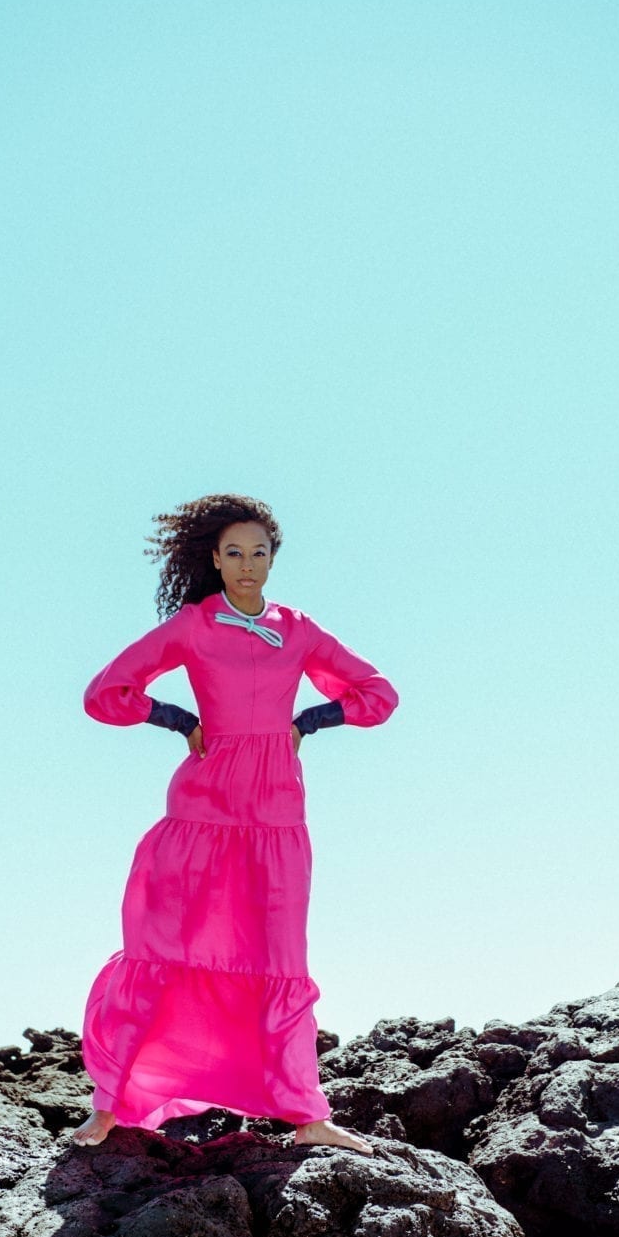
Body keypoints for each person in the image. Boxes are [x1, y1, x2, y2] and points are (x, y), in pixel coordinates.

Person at [72, 493, 399, 1154]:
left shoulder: (298, 630)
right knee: (164, 945)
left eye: (258, 553)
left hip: (277, 812)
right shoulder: (194, 626)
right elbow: (106, 693)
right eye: (234, 554)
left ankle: (308, 1116)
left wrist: (311, 720)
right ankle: (113, 1106)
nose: (247, 566)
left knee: (280, 958)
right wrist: (177, 719)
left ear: (273, 559)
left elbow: (377, 695)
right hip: (203, 807)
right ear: (214, 561)